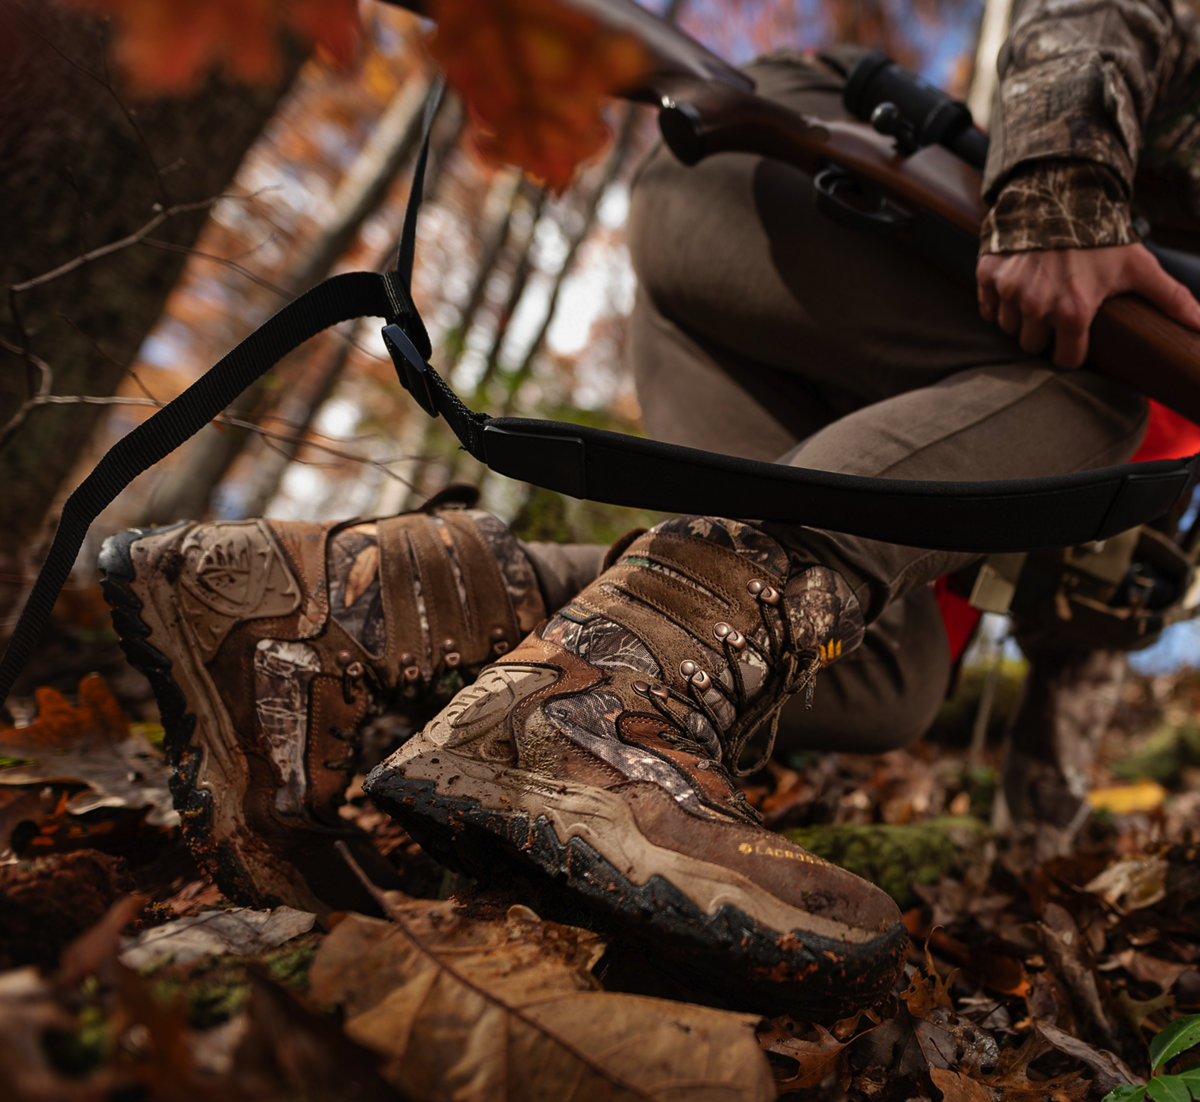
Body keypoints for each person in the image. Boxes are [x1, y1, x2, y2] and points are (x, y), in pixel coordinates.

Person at [102, 0, 1200, 1015]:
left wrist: (1034, 856)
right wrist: (1061, 195)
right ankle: (573, 726)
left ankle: (312, 603)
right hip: (778, 171)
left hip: (781, 311)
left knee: (883, 683)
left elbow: (1074, 649)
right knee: (1098, 384)